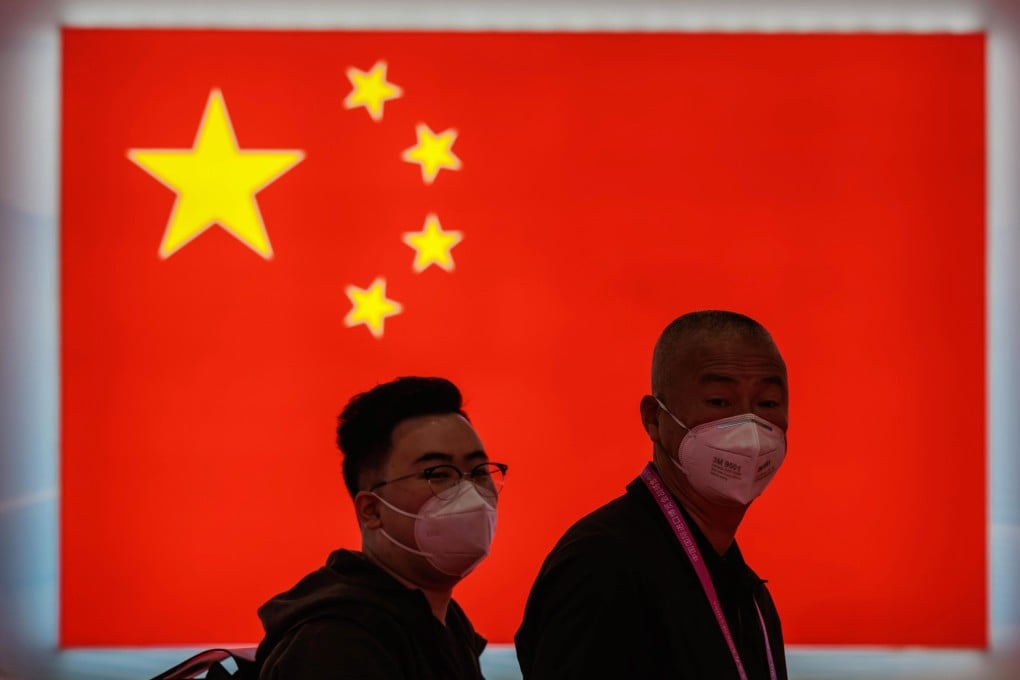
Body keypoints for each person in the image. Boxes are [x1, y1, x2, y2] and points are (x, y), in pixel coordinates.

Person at [515, 310, 790, 680]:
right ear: (654, 419)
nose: (749, 428)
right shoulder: (603, 565)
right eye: (719, 401)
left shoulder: (747, 591)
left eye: (768, 404)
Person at [254, 376, 507, 679]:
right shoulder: (337, 644)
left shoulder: (443, 626)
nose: (469, 492)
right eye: (438, 473)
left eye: (479, 471)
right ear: (371, 510)